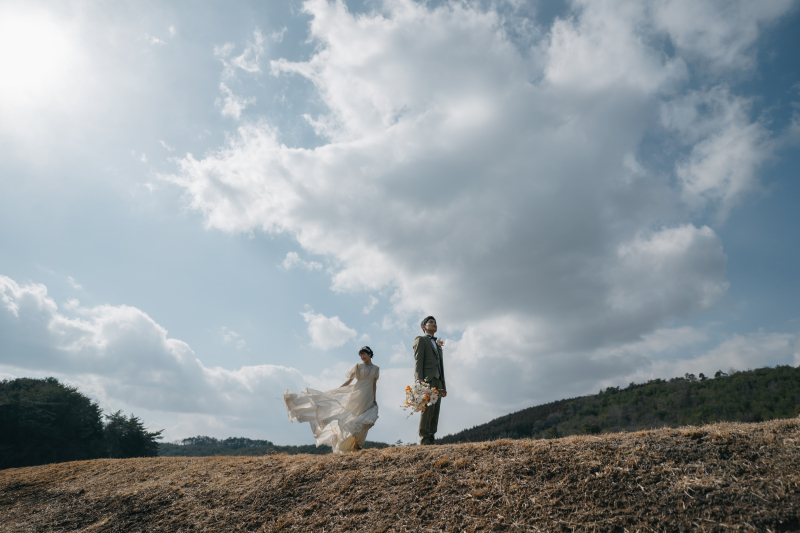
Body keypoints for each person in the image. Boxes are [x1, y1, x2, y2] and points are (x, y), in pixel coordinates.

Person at [283, 347, 379, 453]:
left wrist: (374, 399)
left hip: (368, 397)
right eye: (360, 355)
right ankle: (350, 445)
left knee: (364, 421)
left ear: (369, 354)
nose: (362, 357)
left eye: (364, 354)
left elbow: (374, 384)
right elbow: (350, 380)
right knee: (351, 419)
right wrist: (338, 390)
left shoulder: (376, 369)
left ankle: (358, 444)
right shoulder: (358, 366)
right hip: (356, 395)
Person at [414, 316, 446, 445]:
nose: (434, 324)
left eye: (435, 323)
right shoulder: (420, 340)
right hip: (427, 379)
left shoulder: (438, 344)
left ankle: (432, 438)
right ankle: (424, 439)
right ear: (424, 327)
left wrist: (443, 385)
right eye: (431, 322)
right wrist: (418, 379)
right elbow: (418, 360)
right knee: (427, 409)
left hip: (438, 380)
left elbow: (441, 366)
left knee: (435, 410)